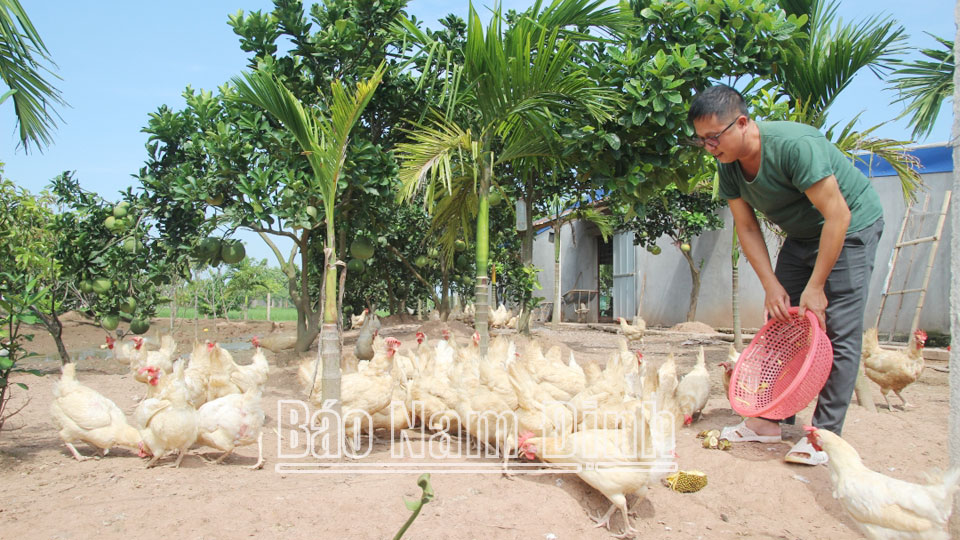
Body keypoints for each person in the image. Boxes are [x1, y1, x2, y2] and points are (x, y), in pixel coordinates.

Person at [687, 85, 884, 465]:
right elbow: (746, 227)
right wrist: (771, 286)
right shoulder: (727, 164)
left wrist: (816, 286)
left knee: (837, 331)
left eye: (714, 137)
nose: (710, 148)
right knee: (782, 325)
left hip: (852, 225)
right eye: (701, 141)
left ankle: (822, 436)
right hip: (803, 236)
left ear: (742, 123)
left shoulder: (795, 146)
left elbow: (838, 216)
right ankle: (768, 420)